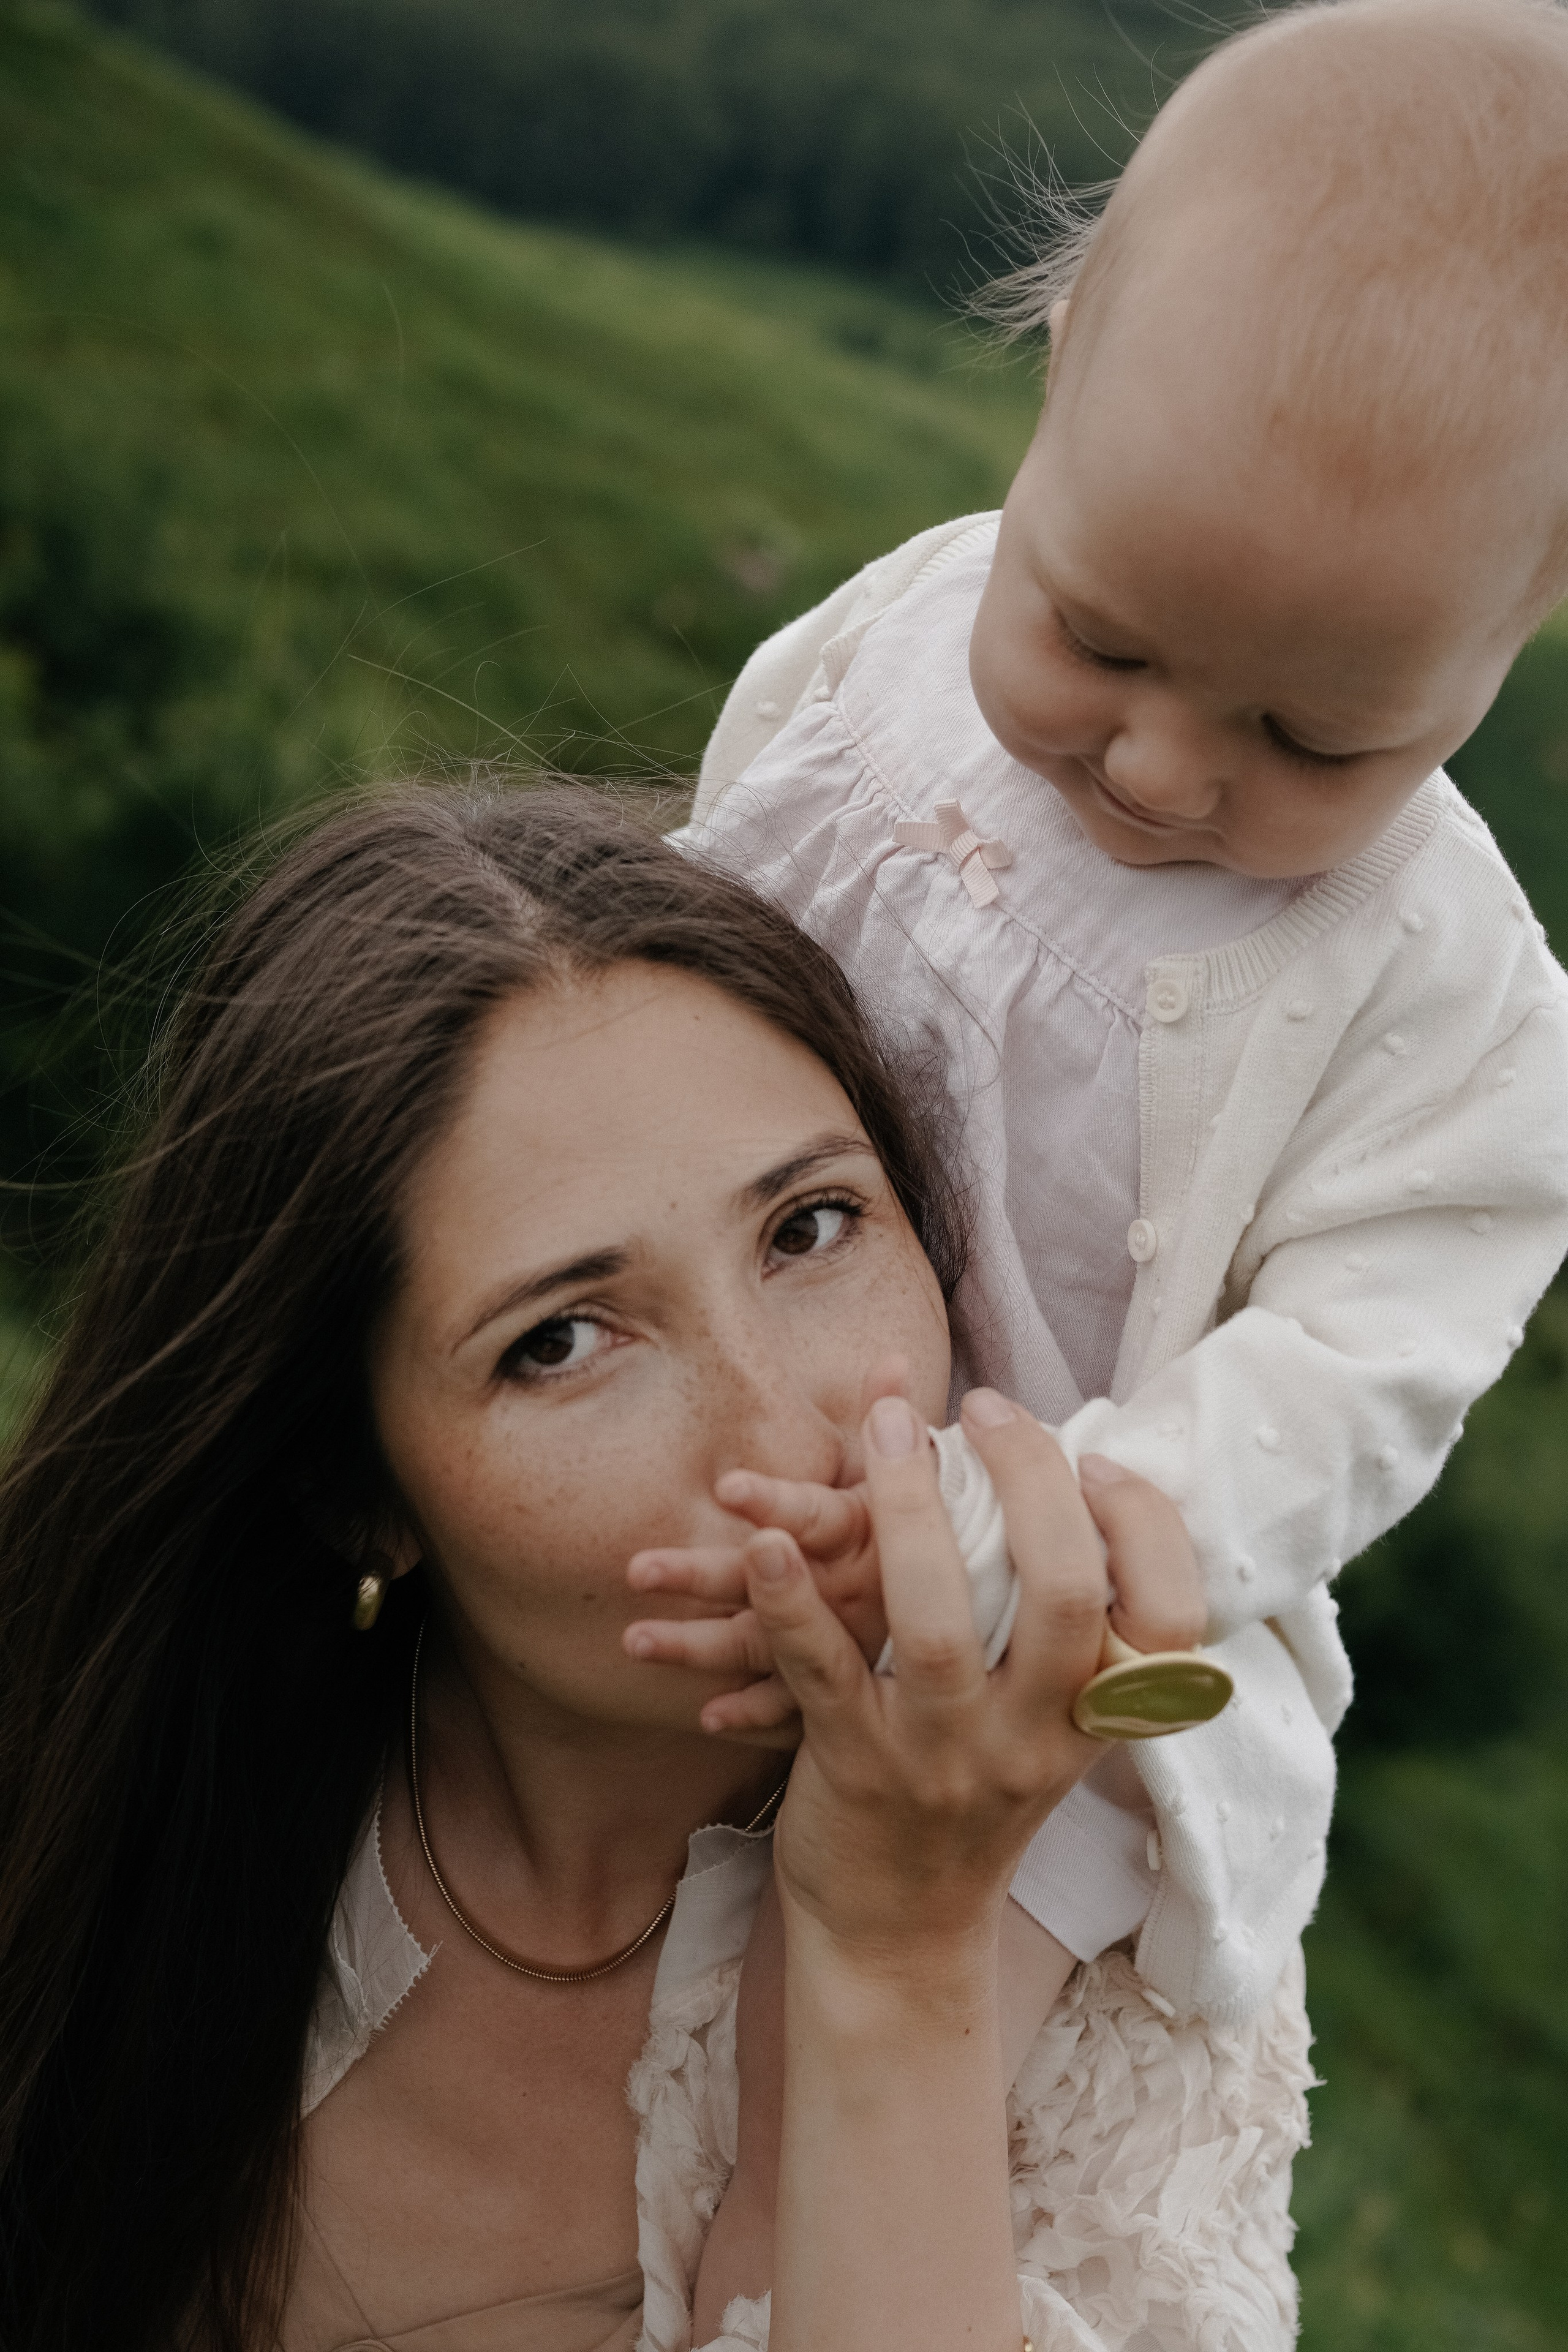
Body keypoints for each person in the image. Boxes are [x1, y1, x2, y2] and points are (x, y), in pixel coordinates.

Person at [671, 0, 1568, 2324]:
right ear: (1058, 369)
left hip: (1076, 1634)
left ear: (1527, 617)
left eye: (1315, 732)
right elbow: (692, 937)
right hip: (727, 1438)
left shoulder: (1446, 990)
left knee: (839, 2094)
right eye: (1099, 636)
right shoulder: (878, 652)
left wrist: (1068, 1517)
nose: (1164, 768)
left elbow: (1368, 1367)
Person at [0, 782, 1310, 2352]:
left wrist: (894, 1959)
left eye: (811, 1229)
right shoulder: (117, 1810)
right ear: (353, 1490)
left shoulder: (1117, 1978)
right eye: (559, 1342)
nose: (789, 1439)